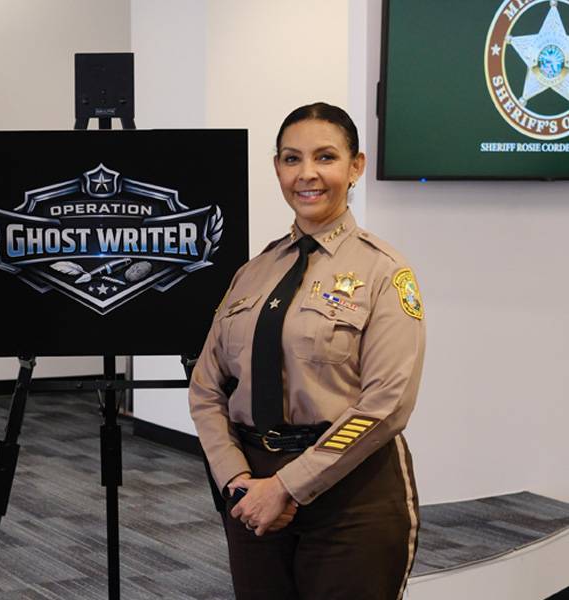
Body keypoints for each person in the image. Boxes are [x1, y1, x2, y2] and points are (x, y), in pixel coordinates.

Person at [188, 102, 425, 600]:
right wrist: (237, 481)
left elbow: (386, 404)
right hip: (252, 496)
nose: (308, 174)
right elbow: (206, 389)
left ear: (355, 166)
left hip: (352, 496)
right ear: (277, 167)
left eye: (325, 157)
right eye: (292, 159)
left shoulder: (385, 272)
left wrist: (288, 486)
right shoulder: (253, 272)